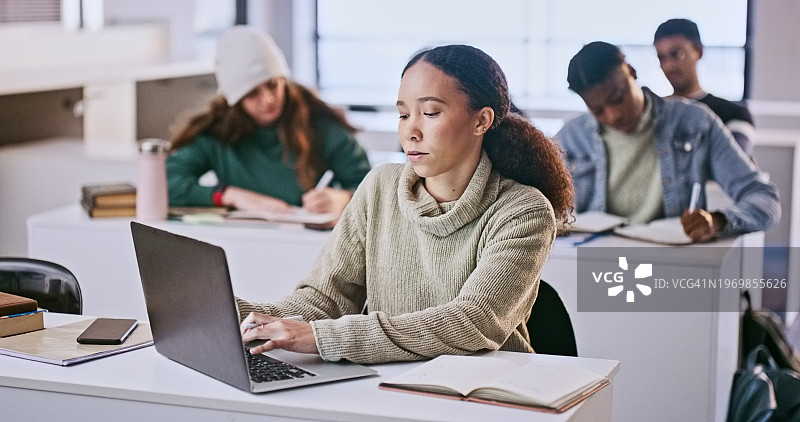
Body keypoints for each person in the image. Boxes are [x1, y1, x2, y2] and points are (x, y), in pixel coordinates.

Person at [236, 44, 575, 364]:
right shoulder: (380, 186)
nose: (411, 131)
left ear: (481, 121)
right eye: (402, 115)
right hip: (389, 384)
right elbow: (325, 299)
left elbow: (472, 323)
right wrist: (240, 316)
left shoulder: (524, 211)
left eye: (430, 113)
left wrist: (322, 337)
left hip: (488, 392)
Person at [555, 41, 780, 242]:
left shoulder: (695, 122)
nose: (613, 115)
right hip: (594, 265)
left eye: (618, 98)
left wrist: (718, 220)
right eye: (597, 110)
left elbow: (764, 198)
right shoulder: (571, 137)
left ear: (631, 71)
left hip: (672, 266)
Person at [166, 26, 371, 224]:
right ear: (236, 100)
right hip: (240, 245)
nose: (268, 99)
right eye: (252, 93)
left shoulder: (320, 124)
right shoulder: (217, 133)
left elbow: (372, 189)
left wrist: (342, 199)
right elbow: (164, 184)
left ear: (283, 79)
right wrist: (230, 195)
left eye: (273, 84)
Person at [653, 18, 756, 156]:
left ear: (698, 51)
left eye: (677, 54)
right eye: (661, 58)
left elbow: (732, 165)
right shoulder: (653, 113)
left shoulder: (734, 114)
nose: (668, 66)